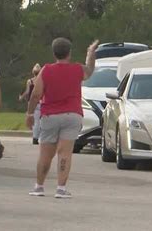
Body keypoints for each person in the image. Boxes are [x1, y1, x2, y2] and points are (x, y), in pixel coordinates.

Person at [26, 38, 98, 198]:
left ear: (54, 53)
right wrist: (90, 54)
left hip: (50, 115)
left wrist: (30, 113)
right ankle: (61, 188)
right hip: (72, 115)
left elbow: (36, 94)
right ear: (69, 53)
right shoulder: (77, 69)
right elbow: (90, 71)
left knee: (45, 153)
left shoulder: (46, 70)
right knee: (65, 153)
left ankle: (39, 186)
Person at [19, 63, 42, 145]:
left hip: (32, 103)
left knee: (34, 121)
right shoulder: (42, 81)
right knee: (39, 121)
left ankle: (35, 137)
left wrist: (21, 97)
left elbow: (27, 92)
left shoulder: (30, 81)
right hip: (41, 102)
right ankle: (38, 137)